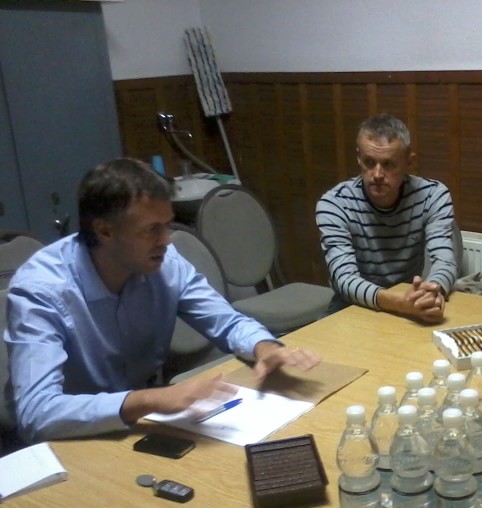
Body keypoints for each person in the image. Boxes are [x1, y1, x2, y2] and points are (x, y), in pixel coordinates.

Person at [2, 158, 321, 443]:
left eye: (167, 225)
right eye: (151, 230)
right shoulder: (41, 289)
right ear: (104, 231)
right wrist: (150, 399)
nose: (166, 241)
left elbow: (227, 322)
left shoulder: (166, 264)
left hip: (137, 425)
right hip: (70, 440)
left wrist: (265, 349)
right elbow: (36, 415)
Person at [316, 113, 458, 323]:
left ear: (409, 161)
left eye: (389, 164)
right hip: (352, 307)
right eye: (369, 162)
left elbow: (445, 261)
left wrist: (432, 291)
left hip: (408, 304)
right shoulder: (334, 204)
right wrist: (398, 302)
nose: (377, 174)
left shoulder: (433, 195)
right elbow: (344, 279)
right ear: (358, 157)